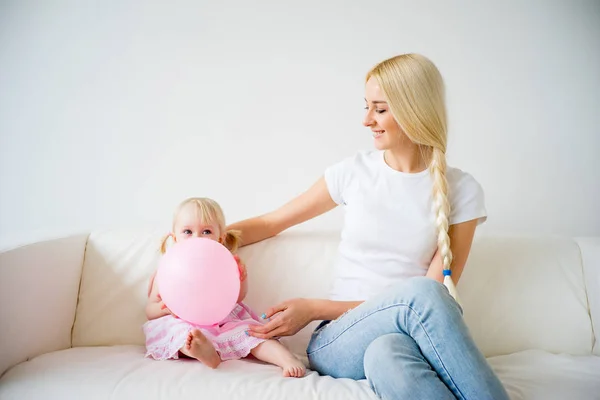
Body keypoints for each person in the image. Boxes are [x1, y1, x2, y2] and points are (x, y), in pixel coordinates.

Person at [228, 54, 509, 399]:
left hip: (402, 337)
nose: (366, 120)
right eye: (367, 107)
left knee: (386, 353)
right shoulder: (353, 173)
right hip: (338, 339)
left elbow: (436, 295)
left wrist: (313, 306)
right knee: (419, 295)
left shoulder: (462, 190)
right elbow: (271, 223)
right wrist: (202, 243)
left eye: (379, 109)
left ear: (413, 110)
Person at [143, 197, 305, 378]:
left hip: (222, 320)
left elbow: (237, 298)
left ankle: (286, 360)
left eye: (206, 231)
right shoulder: (167, 269)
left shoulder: (224, 262)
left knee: (252, 333)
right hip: (182, 320)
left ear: (220, 238)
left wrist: (242, 278)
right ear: (174, 237)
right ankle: (201, 350)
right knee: (178, 333)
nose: (197, 238)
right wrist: (165, 309)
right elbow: (150, 310)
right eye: (187, 231)